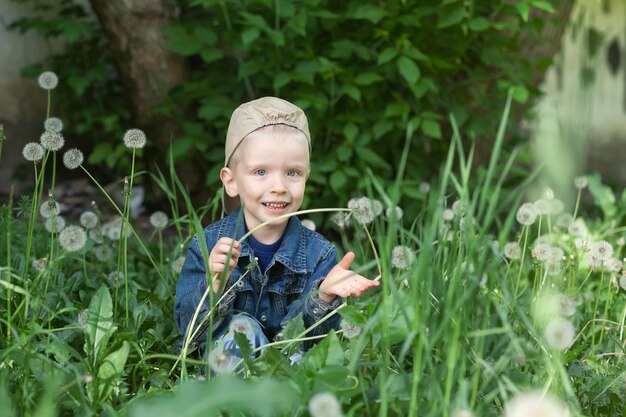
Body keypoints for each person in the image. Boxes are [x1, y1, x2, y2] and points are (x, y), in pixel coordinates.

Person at [174, 96, 379, 369]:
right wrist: (213, 287)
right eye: (261, 171)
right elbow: (188, 330)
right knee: (240, 328)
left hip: (287, 364)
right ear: (231, 181)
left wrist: (324, 298)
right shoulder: (209, 245)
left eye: (292, 173)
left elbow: (313, 341)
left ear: (306, 176)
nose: (279, 186)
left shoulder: (319, 254)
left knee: (308, 362)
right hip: (228, 365)